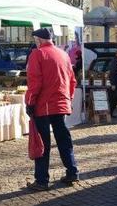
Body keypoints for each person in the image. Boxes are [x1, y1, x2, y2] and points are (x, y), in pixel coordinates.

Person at [25, 28, 79, 191]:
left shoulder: (38, 54)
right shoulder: (63, 54)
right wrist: (67, 99)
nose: (35, 42)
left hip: (44, 105)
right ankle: (72, 171)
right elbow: (72, 81)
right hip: (60, 104)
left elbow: (35, 82)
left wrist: (30, 102)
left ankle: (42, 180)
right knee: (64, 138)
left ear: (39, 40)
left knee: (43, 142)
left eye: (35, 39)